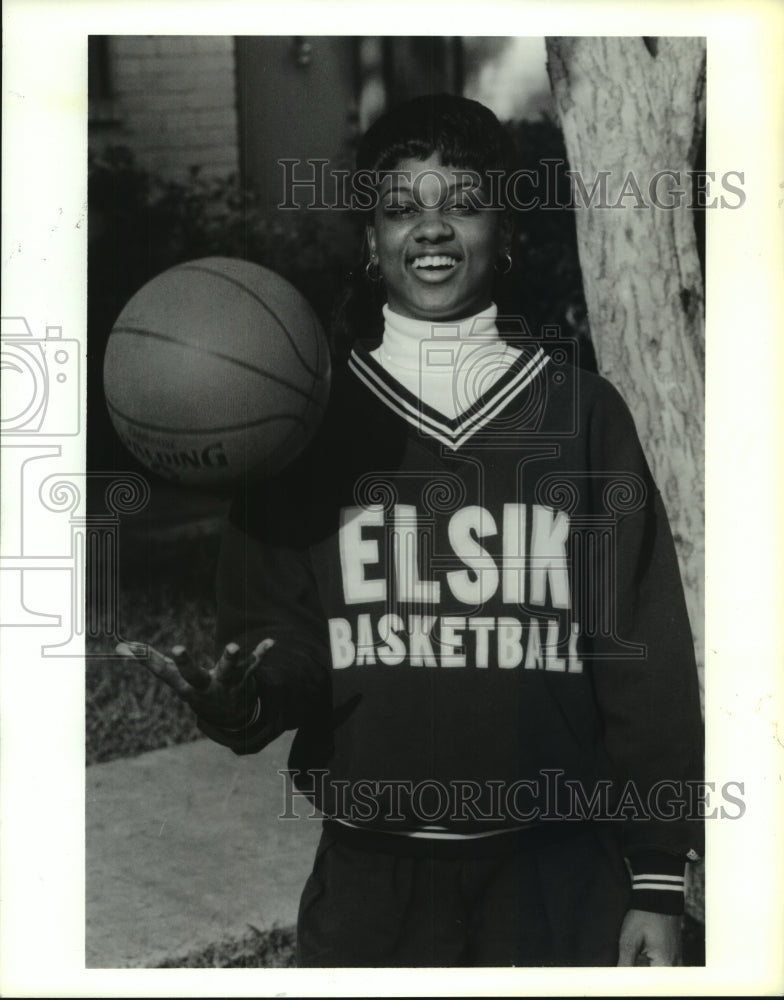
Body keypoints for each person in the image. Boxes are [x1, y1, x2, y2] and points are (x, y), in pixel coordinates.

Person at [119, 94, 703, 967]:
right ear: (370, 239)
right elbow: (281, 640)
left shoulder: (580, 414)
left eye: (462, 203)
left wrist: (656, 877)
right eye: (400, 208)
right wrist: (248, 699)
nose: (430, 227)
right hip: (372, 876)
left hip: (556, 869)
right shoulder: (300, 428)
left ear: (506, 229)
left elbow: (643, 664)